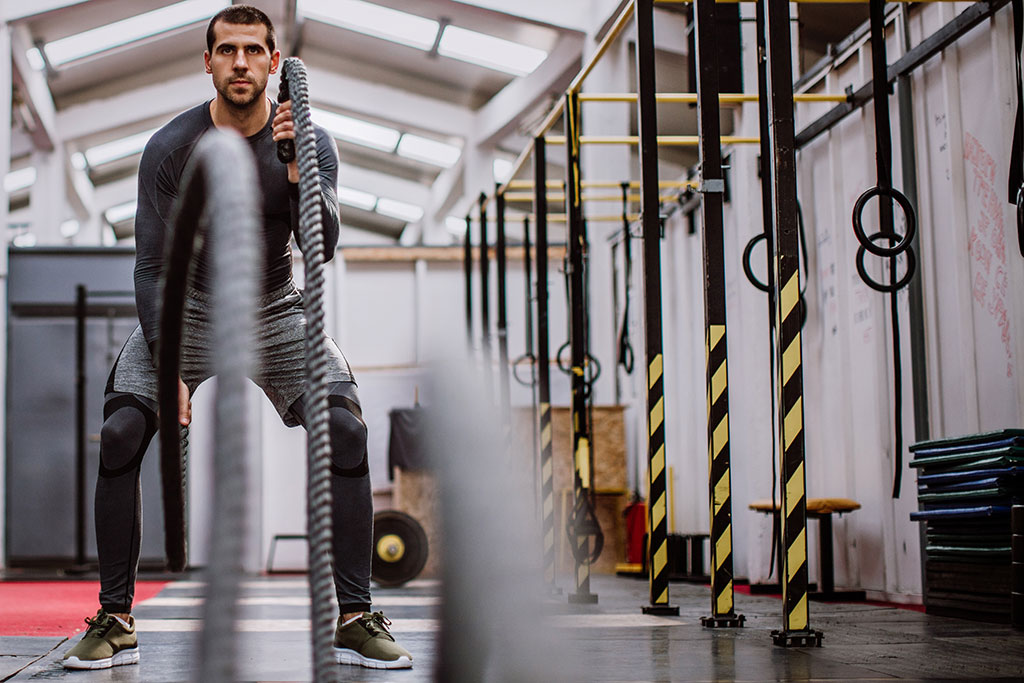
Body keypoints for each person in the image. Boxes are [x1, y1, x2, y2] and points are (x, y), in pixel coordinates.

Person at [61, 5, 412, 671]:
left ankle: (357, 615)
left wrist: (296, 170)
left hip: (275, 306)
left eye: (255, 50)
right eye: (227, 50)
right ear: (209, 62)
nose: (241, 62)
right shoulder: (171, 148)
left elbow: (324, 245)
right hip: (185, 308)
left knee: (347, 430)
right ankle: (114, 617)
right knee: (121, 433)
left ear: (274, 63)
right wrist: (168, 367)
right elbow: (148, 267)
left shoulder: (311, 142)